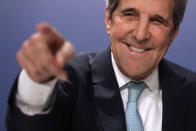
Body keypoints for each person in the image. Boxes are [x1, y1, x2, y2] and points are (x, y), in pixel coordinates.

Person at [6, 0, 196, 130]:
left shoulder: (192, 92)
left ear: (174, 33)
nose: (140, 34)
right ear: (108, 20)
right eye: (130, 14)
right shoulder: (70, 79)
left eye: (157, 20)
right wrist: (37, 83)